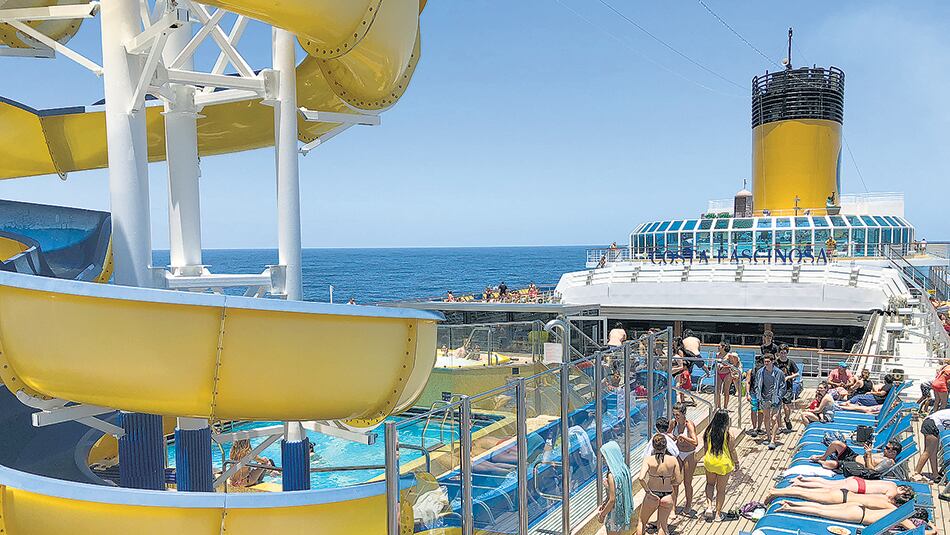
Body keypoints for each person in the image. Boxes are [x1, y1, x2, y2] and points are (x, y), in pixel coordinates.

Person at [773, 502, 934, 534]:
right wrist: (933, 529)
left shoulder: (895, 510)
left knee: (821, 508)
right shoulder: (904, 519)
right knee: (820, 512)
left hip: (859, 508)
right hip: (858, 516)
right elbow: (918, 532)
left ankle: (791, 504)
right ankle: (790, 507)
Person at [637, 433, 681, 535]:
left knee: (642, 522)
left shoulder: (648, 460)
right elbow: (678, 480)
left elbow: (641, 478)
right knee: (662, 526)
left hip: (652, 495)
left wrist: (647, 490)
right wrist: (670, 482)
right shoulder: (673, 460)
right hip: (667, 495)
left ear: (653, 446)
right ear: (666, 446)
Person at [701, 409, 739, 522]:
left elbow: (705, 448)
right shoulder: (728, 434)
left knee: (710, 484)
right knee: (721, 490)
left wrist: (706, 459)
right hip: (723, 464)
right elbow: (732, 450)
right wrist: (736, 462)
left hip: (710, 461)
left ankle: (709, 507)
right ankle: (718, 514)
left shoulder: (708, 431)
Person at [766, 483, 915, 510]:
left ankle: (777, 491)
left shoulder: (885, 497)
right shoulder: (889, 504)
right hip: (841, 499)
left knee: (808, 493)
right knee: (807, 495)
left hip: (845, 493)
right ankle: (776, 492)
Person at [809, 439, 905, 480]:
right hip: (854, 456)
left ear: (894, 453)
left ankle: (819, 461)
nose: (885, 448)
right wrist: (867, 451)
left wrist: (868, 454)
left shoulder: (888, 461)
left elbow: (871, 471)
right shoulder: (884, 454)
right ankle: (823, 456)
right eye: (886, 447)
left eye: (888, 448)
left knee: (831, 464)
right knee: (836, 443)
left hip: (854, 466)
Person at [598, 440, 633, 535]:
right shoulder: (623, 469)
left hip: (614, 513)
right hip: (623, 510)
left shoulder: (611, 475)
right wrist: (605, 502)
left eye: (604, 456)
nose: (603, 459)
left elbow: (612, 499)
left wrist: (602, 514)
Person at [670, 402, 699, 516]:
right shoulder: (673, 423)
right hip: (678, 453)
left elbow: (695, 442)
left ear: (683, 414)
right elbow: (668, 434)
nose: (675, 417)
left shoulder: (689, 425)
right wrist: (672, 437)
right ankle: (673, 507)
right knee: (675, 481)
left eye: (677, 415)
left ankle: (688, 505)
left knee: (687, 482)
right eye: (674, 415)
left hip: (689, 454)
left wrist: (684, 437)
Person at [752, 354, 786, 450]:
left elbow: (783, 387)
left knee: (774, 418)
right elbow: (756, 385)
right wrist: (758, 395)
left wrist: (779, 397)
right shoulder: (760, 372)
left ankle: (773, 440)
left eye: (768, 362)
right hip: (764, 398)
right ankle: (768, 436)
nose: (766, 363)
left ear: (772, 361)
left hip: (775, 398)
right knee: (766, 417)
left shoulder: (779, 373)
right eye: (765, 362)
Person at [911, 408, 950, 482]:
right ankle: (916, 473)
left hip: (932, 423)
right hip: (932, 425)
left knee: (933, 452)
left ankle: (935, 474)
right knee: (928, 452)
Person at [774, 344, 799, 432]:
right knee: (778, 407)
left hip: (788, 386)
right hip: (778, 387)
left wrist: (789, 377)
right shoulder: (776, 362)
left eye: (784, 353)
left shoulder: (790, 362)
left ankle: (787, 419)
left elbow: (797, 373)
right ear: (779, 353)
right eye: (781, 353)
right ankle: (780, 426)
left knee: (786, 407)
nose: (783, 354)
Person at [714, 341, 741, 410]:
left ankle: (725, 407)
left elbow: (733, 365)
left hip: (727, 374)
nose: (718, 347)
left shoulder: (729, 355)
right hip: (719, 373)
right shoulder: (717, 354)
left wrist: (724, 367)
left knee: (726, 391)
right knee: (717, 390)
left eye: (719, 346)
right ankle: (718, 406)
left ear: (723, 347)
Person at [746, 354, 765, 436]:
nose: (758, 364)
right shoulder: (751, 371)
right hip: (753, 393)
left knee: (761, 411)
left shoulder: (765, 372)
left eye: (760, 362)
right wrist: (747, 393)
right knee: (754, 410)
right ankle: (754, 427)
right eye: (757, 362)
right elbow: (748, 382)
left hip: (763, 394)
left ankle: (759, 427)